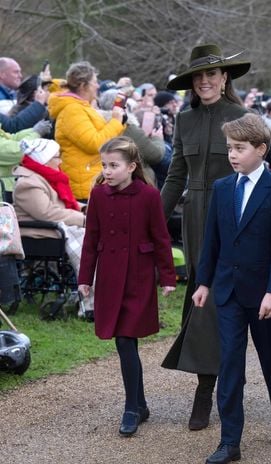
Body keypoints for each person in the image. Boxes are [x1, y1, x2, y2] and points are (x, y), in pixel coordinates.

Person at [192, 113, 271, 464]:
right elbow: (213, 240)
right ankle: (229, 439)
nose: (232, 154)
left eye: (239, 148)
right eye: (229, 148)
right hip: (228, 290)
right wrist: (204, 281)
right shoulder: (223, 188)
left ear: (261, 149)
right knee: (231, 364)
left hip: (263, 293)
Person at [160, 44, 249, 431]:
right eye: (197, 77)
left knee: (242, 302)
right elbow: (175, 176)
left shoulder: (242, 116)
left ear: (225, 77)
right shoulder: (184, 120)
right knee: (204, 298)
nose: (204, 82)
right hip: (196, 217)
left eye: (211, 75)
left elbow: (257, 172)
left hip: (233, 214)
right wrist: (153, 221)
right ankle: (205, 388)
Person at [78, 137, 176, 436]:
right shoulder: (98, 195)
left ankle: (132, 407)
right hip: (109, 277)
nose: (107, 171)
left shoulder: (148, 196)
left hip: (138, 277)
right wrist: (84, 277)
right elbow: (91, 239)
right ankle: (140, 404)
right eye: (104, 165)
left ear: (132, 167)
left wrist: (168, 277)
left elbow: (161, 238)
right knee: (124, 341)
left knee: (125, 339)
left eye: (114, 165)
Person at [12, 138, 94, 318]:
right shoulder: (29, 183)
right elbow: (48, 213)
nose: (61, 161)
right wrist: (84, 219)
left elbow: (64, 205)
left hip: (52, 227)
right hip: (38, 232)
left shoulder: (46, 177)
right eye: (57, 157)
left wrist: (86, 210)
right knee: (89, 238)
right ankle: (90, 304)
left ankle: (97, 296)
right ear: (45, 159)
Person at [47, 61, 125, 200]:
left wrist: (120, 122)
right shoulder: (72, 111)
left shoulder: (81, 107)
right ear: (83, 85)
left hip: (92, 180)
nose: (98, 86)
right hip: (84, 187)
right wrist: (115, 122)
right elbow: (95, 144)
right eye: (94, 82)